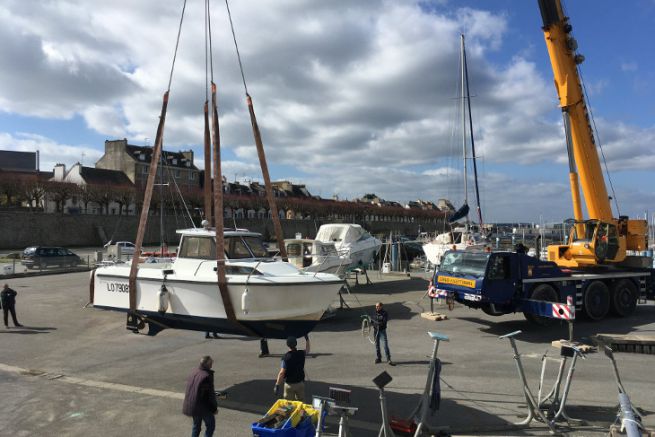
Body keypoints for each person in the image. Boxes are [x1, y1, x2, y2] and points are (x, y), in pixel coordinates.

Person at [183, 355, 218, 437]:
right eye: (211, 363)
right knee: (210, 426)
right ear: (207, 364)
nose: (212, 365)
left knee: (196, 426)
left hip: (192, 405)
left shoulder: (194, 371)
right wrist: (214, 409)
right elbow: (208, 395)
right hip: (202, 407)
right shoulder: (206, 376)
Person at [274, 336, 308, 401]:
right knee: (300, 404)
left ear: (288, 345)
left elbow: (281, 373)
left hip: (289, 384)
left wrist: (277, 385)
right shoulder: (301, 353)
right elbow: (307, 349)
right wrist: (307, 339)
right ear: (296, 344)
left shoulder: (285, 357)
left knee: (288, 405)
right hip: (300, 384)